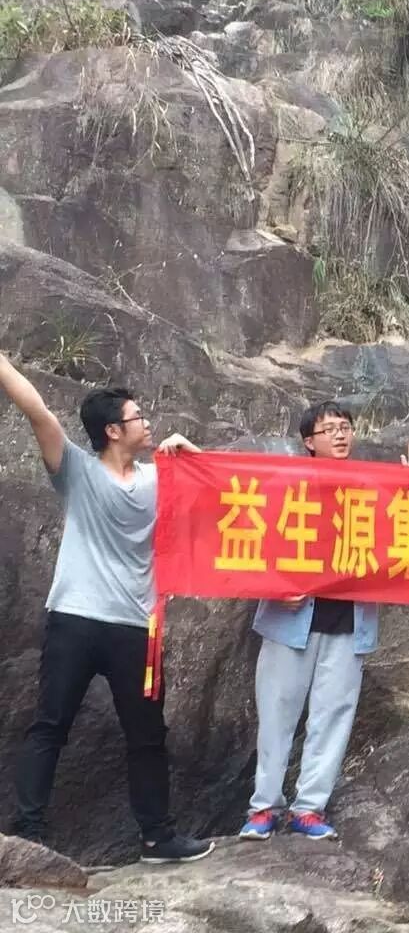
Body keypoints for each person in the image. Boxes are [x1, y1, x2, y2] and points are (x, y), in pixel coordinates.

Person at [1, 350, 213, 863]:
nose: (148, 423)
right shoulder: (75, 469)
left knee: (147, 735)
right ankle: (27, 834)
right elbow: (37, 410)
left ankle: (157, 837)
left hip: (135, 627)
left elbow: (226, 495)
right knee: (51, 724)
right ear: (113, 431)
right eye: (138, 417)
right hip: (75, 618)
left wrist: (195, 454)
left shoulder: (160, 478)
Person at [240, 402, 409, 842]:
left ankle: (309, 808)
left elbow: (404, 541)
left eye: (346, 427)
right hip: (290, 621)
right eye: (330, 429)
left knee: (333, 717)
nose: (341, 435)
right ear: (309, 441)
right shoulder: (286, 486)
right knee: (276, 715)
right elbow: (254, 541)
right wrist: (275, 586)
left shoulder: (371, 487)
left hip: (348, 623)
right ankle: (264, 806)